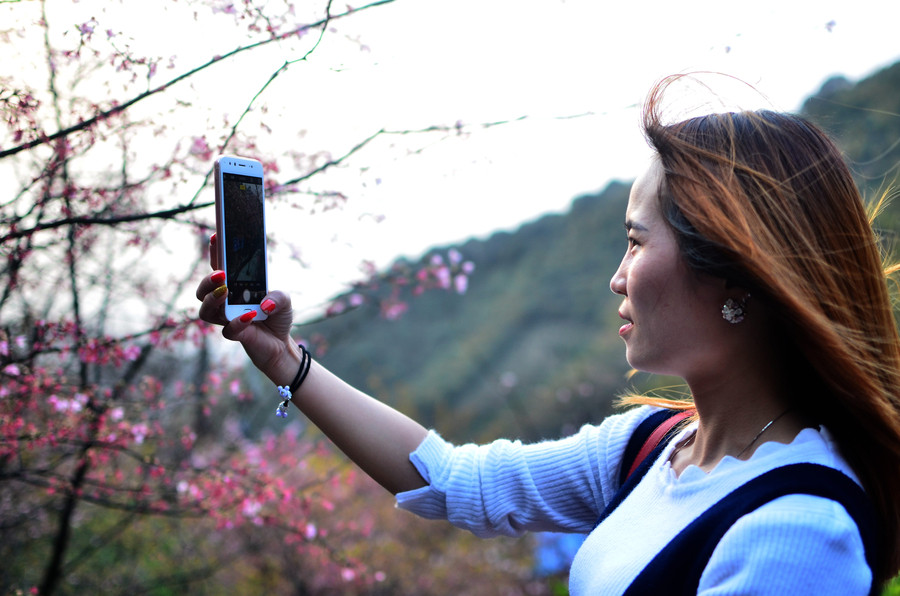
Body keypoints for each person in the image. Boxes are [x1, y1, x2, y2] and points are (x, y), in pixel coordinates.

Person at [196, 75, 900, 594]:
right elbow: (453, 480)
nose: (617, 278)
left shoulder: (795, 533)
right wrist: (287, 362)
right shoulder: (653, 450)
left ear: (735, 275)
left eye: (634, 243)